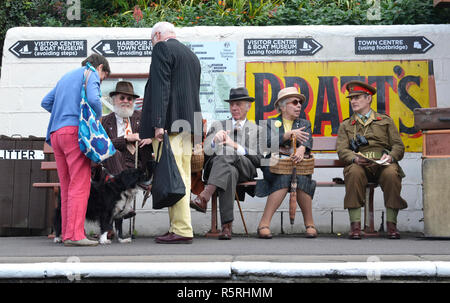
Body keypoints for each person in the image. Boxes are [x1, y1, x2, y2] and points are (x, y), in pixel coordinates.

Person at [140, 21, 202, 244]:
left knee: (172, 177)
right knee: (181, 177)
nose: (152, 44)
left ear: (157, 35)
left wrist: (158, 123)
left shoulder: (161, 48)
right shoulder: (191, 55)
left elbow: (161, 87)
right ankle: (180, 227)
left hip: (169, 128)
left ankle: (182, 229)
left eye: (151, 40)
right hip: (187, 126)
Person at [41, 54, 110, 246]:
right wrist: (95, 120)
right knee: (80, 185)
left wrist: (63, 113)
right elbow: (94, 100)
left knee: (67, 185)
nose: (101, 81)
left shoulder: (65, 77)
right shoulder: (91, 73)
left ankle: (65, 232)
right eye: (103, 78)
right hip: (74, 134)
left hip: (56, 134)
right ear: (101, 68)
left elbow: (46, 102)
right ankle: (76, 235)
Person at [336, 80, 407, 240]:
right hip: (360, 165)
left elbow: (398, 146)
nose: (353, 101)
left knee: (392, 173)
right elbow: (342, 150)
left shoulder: (385, 121)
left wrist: (391, 157)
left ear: (368, 99)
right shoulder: (346, 125)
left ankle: (391, 224)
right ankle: (355, 226)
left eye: (357, 97)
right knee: (353, 172)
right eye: (351, 98)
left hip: (383, 164)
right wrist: (354, 158)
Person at [190, 87, 263, 240]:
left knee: (228, 151)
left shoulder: (256, 129)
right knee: (229, 171)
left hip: (245, 168)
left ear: (248, 106)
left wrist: (234, 145)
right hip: (218, 168)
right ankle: (226, 227)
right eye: (232, 105)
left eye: (239, 104)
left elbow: (258, 159)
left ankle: (204, 196)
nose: (234, 108)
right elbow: (206, 154)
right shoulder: (218, 125)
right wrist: (214, 142)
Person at [255, 87, 317, 239]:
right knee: (284, 176)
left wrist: (302, 148)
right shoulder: (269, 123)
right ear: (282, 106)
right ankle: (264, 223)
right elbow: (266, 143)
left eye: (300, 102)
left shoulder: (304, 123)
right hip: (274, 165)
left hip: (297, 164)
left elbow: (308, 139)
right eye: (294, 102)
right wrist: (287, 135)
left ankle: (310, 224)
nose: (299, 105)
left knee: (300, 177)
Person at [93, 80, 153, 217]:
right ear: (114, 100)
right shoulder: (105, 121)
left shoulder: (142, 118)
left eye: (129, 98)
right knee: (113, 154)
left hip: (137, 168)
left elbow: (161, 134)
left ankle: (119, 213)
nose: (126, 101)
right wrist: (125, 139)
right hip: (112, 169)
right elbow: (101, 146)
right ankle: (124, 207)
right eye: (122, 98)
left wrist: (151, 139)